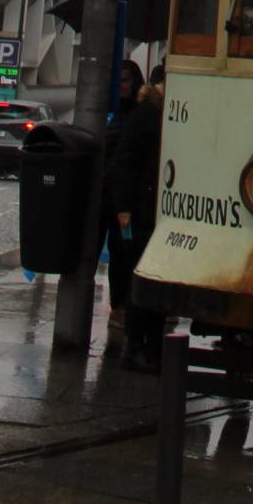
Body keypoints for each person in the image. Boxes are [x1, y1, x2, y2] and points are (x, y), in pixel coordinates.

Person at [108, 77, 164, 371]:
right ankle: (136, 344)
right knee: (142, 279)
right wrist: (124, 207)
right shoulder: (146, 115)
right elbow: (124, 162)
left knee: (152, 281)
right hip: (142, 211)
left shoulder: (157, 113)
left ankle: (151, 345)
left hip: (154, 210)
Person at [100, 60, 145, 330]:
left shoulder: (137, 116)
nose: (121, 87)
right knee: (117, 253)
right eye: (118, 81)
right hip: (108, 197)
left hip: (128, 201)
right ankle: (119, 305)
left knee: (125, 253)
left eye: (126, 81)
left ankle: (125, 305)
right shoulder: (109, 114)